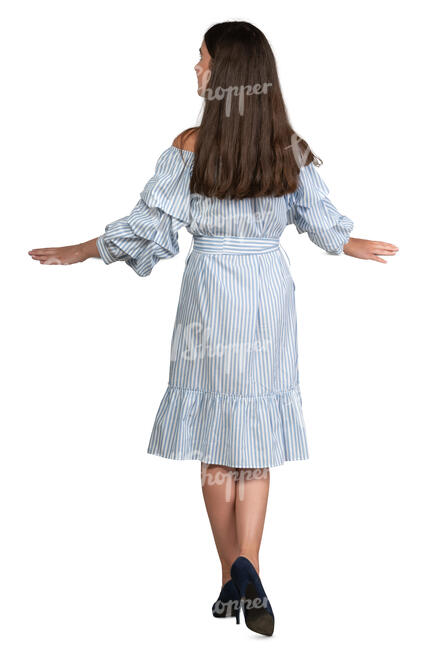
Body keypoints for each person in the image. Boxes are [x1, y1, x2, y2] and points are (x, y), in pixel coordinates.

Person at [28, 21, 399, 637]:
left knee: (215, 437)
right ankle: (248, 566)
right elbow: (321, 217)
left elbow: (148, 227)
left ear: (225, 74)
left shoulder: (191, 144)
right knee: (252, 433)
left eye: (201, 61)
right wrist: (349, 243)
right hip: (268, 295)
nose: (195, 70)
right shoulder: (288, 145)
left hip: (210, 294)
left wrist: (81, 250)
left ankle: (232, 573)